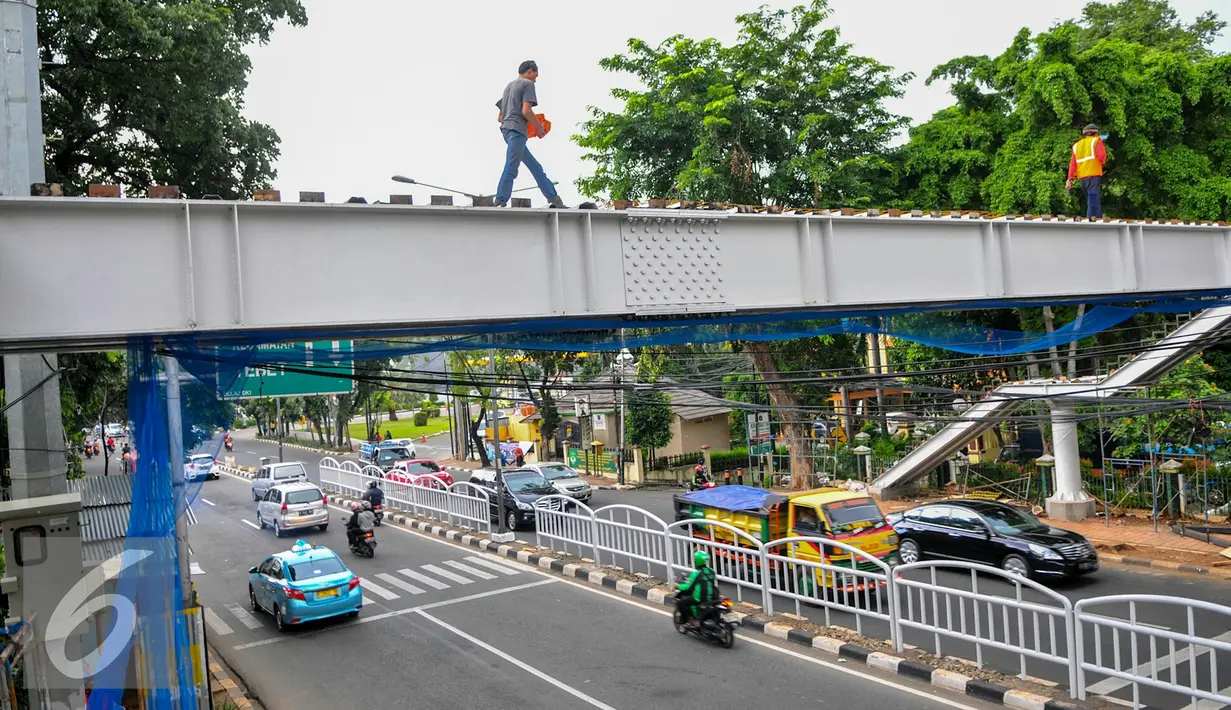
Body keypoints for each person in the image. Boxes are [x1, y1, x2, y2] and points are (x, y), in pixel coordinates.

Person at [494, 60, 566, 209]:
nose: (535, 79)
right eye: (535, 75)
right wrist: (538, 127)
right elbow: (526, 111)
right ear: (529, 71)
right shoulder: (527, 84)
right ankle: (500, 200)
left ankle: (554, 198)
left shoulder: (509, 86)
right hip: (517, 132)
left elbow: (500, 117)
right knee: (511, 166)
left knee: (535, 166)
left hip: (507, 131)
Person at [1066, 123, 1108, 218]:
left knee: (1092, 200)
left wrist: (1070, 179)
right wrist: (1101, 162)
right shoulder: (1097, 141)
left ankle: (1098, 219)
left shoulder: (1077, 145)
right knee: (1093, 201)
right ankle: (1092, 223)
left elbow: (1073, 164)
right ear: (1095, 133)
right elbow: (1102, 156)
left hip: (1082, 178)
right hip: (1093, 175)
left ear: (1085, 134)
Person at [677, 550, 719, 629]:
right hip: (711, 597)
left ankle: (690, 621)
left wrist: (678, 586)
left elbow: (688, 586)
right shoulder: (712, 571)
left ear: (696, 562)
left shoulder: (696, 574)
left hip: (699, 598)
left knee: (682, 602)